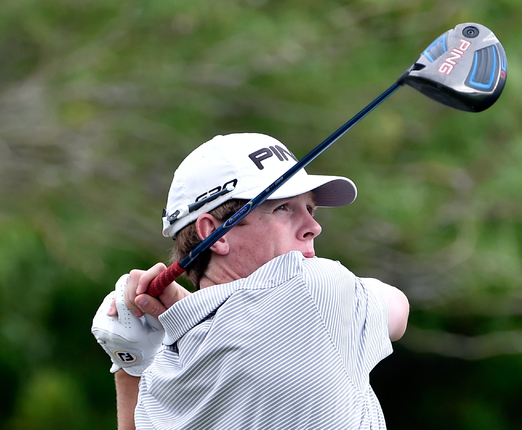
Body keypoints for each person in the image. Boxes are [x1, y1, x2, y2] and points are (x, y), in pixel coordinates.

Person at [92, 133, 410, 430]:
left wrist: (131, 362)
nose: (313, 226)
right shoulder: (313, 286)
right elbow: (399, 309)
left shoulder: (162, 377)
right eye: (283, 207)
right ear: (215, 234)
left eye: (310, 208)